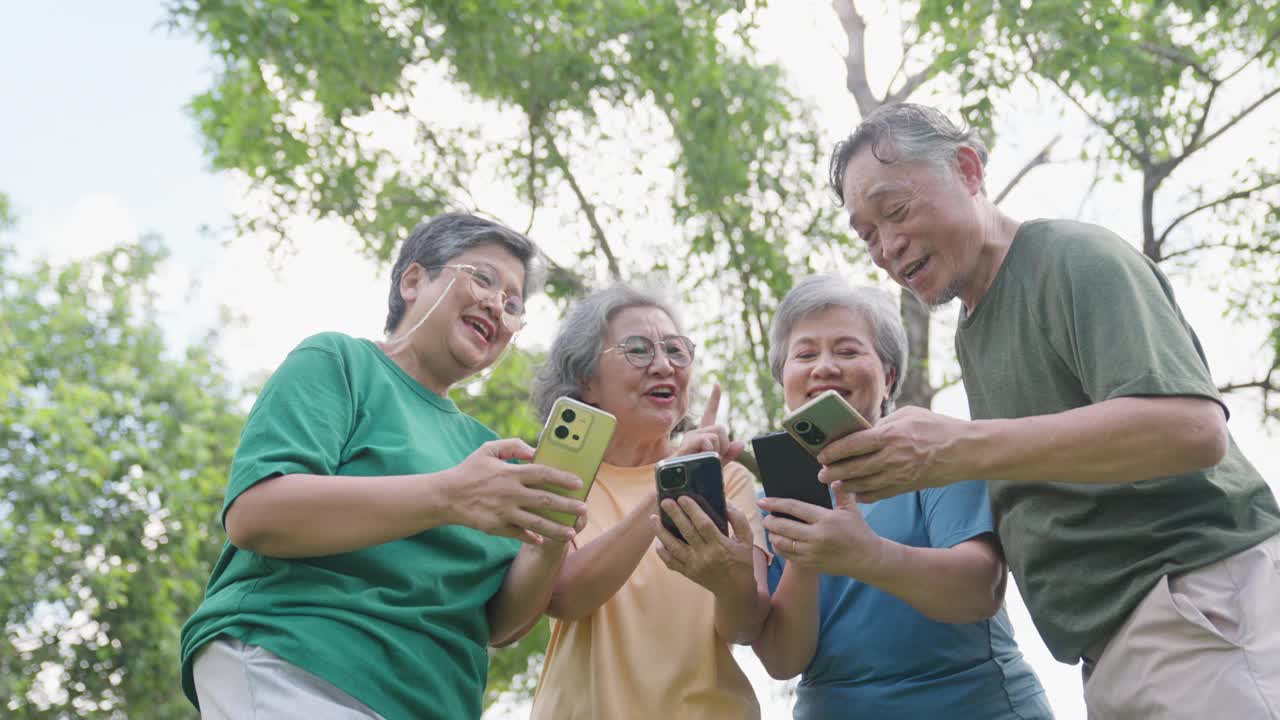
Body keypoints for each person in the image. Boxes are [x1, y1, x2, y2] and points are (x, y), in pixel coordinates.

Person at [824, 102, 1280, 719]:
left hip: (1194, 609)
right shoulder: (973, 330)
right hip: (1112, 653)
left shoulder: (1071, 256)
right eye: (867, 234)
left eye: (895, 210)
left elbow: (1192, 429)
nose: (886, 246)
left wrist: (957, 448)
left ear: (966, 169)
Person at [179, 213, 590, 720]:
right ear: (413, 281)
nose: (497, 306)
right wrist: (451, 497)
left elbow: (500, 623)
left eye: (513, 304)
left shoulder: (490, 452)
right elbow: (256, 514)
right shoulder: (339, 361)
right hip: (297, 665)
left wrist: (549, 540)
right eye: (482, 278)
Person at [752, 275, 1052, 719]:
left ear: (888, 378)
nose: (825, 367)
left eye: (848, 350)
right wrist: (807, 555)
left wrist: (864, 554)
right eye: (805, 354)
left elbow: (978, 589)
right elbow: (781, 661)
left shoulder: (935, 454)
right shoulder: (769, 501)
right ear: (784, 378)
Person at [528, 284, 771, 720]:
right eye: (638, 350)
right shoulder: (562, 475)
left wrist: (729, 580)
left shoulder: (727, 479)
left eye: (676, 351)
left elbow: (747, 626)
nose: (663, 366)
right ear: (587, 380)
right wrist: (669, 484)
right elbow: (561, 596)